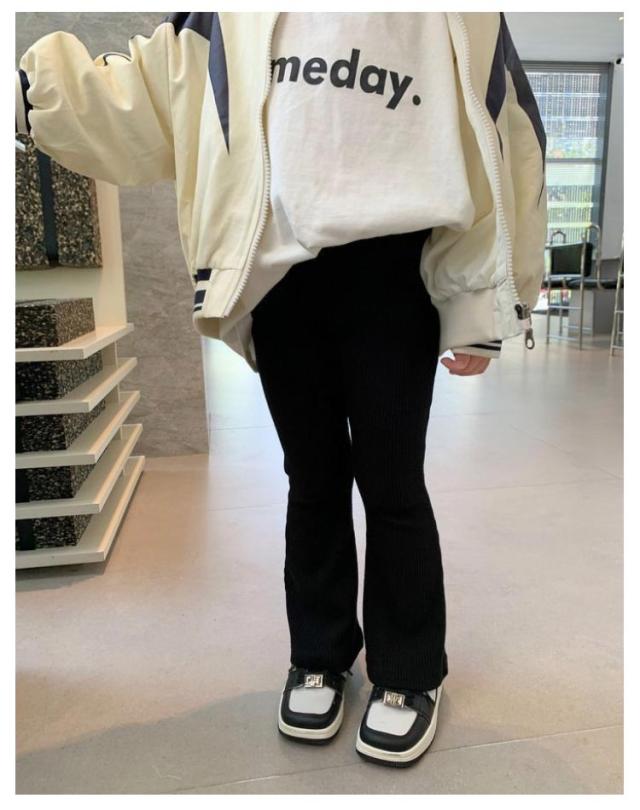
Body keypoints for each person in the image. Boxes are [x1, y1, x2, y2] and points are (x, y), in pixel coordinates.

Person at [15, 11, 547, 768]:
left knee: (393, 479)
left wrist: (483, 300)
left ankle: (409, 669)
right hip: (279, 272)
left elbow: (505, 127)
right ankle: (319, 654)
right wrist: (34, 90)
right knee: (314, 476)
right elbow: (157, 90)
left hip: (397, 267)